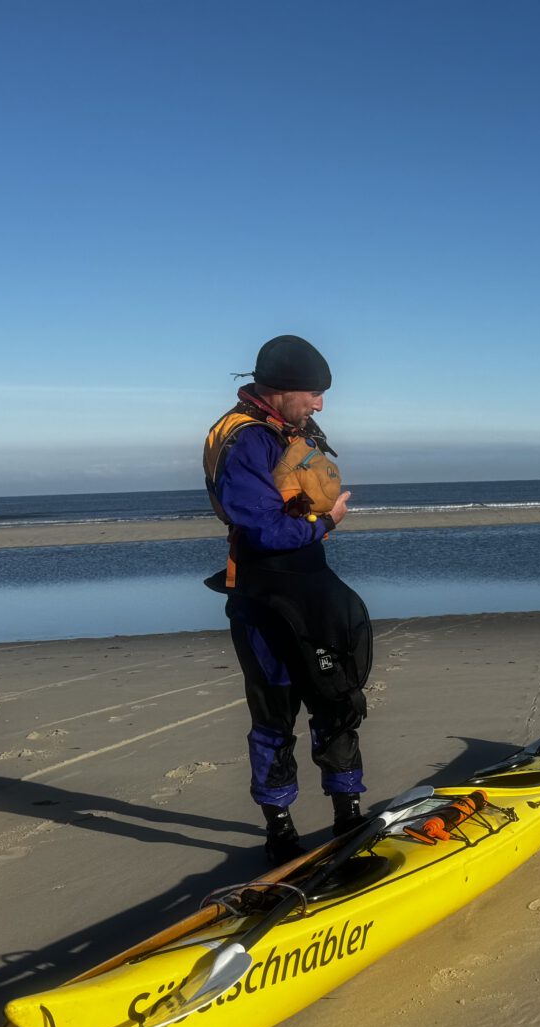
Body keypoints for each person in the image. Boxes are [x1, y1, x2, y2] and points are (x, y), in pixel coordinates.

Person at [202, 334, 373, 861]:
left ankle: (347, 814)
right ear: (279, 390)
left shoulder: (285, 428)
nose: (320, 404)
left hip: (307, 587)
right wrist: (327, 523)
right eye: (313, 393)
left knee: (337, 698)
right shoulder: (247, 440)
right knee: (275, 713)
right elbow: (264, 531)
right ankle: (280, 832)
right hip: (267, 596)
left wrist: (318, 525)